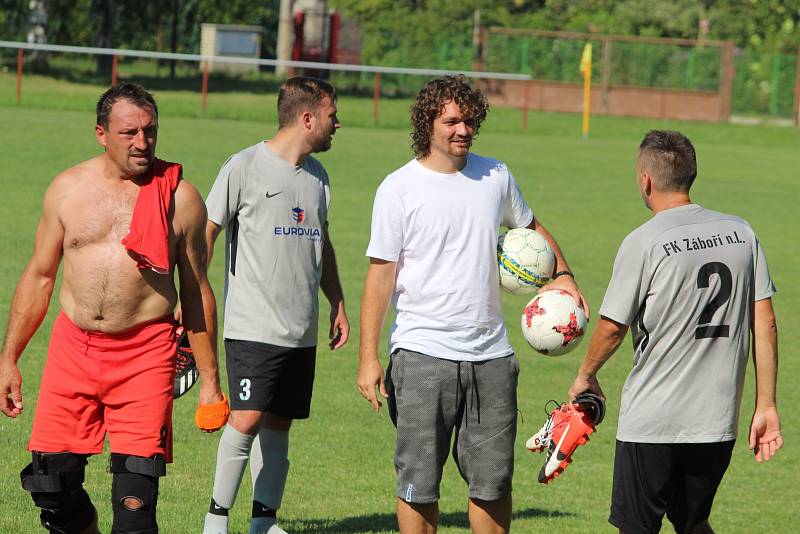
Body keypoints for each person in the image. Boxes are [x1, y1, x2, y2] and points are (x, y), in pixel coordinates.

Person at [357, 75, 588, 534]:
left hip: (491, 358)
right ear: (428, 124)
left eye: (470, 121)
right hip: (422, 354)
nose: (463, 130)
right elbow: (381, 275)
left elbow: (531, 227)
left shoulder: (495, 176)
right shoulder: (398, 189)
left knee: (493, 485)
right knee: (419, 485)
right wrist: (368, 356)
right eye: (452, 121)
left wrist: (564, 276)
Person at [0, 82, 225, 534]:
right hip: (73, 349)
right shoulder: (67, 189)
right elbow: (40, 276)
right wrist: (8, 358)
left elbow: (197, 291)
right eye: (129, 133)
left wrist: (210, 383)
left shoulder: (180, 199)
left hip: (145, 353)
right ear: (101, 133)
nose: (142, 143)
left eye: (150, 131)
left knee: (136, 506)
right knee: (50, 484)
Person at [568, 130, 783, 534]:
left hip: (653, 420)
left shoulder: (645, 240)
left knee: (638, 526)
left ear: (645, 180)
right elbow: (765, 322)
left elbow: (613, 327)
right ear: (691, 175)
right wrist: (766, 406)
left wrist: (585, 375)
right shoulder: (742, 233)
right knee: (693, 522)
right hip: (716, 422)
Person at [202, 76, 349, 534]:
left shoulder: (318, 177)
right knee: (245, 419)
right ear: (307, 118)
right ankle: (215, 520)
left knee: (279, 425)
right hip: (252, 326)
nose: (337, 124)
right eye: (331, 115)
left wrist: (338, 301)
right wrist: (191, 296)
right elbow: (207, 232)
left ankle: (263, 523)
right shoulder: (243, 166)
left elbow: (321, 244)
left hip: (300, 329)